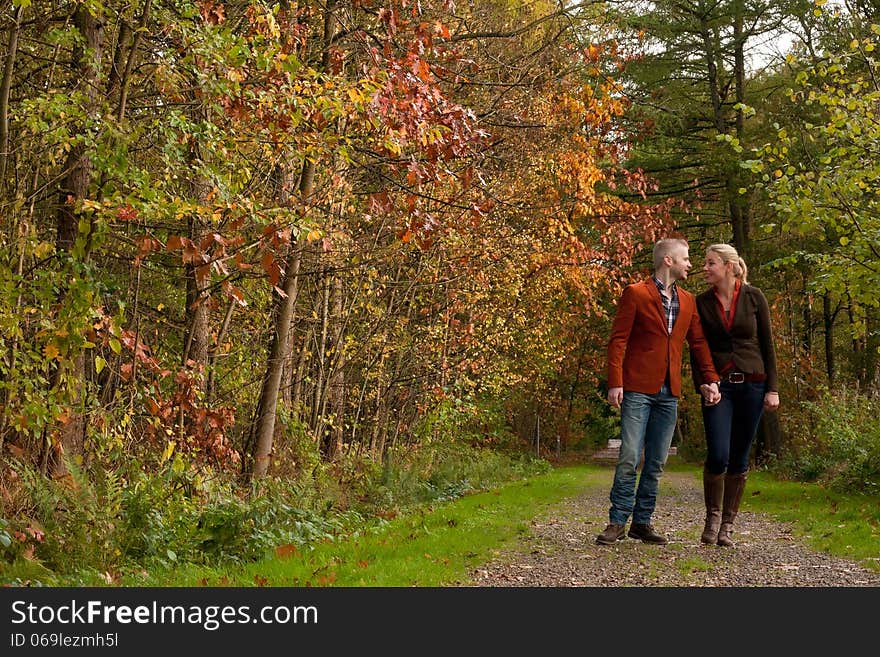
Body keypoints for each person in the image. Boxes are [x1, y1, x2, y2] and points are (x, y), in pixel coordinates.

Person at [597, 237, 721, 546]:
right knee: (629, 456)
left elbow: (699, 344)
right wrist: (615, 381)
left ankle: (642, 522)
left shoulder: (689, 301)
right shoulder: (636, 294)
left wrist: (711, 379)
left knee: (656, 462)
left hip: (670, 392)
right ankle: (617, 521)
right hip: (637, 388)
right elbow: (618, 341)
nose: (690, 264)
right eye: (686, 259)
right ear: (668, 260)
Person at [693, 243, 780, 547]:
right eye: (705, 263)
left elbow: (768, 344)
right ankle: (712, 517)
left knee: (740, 456)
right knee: (718, 453)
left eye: (710, 263)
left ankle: (728, 525)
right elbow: (697, 348)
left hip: (754, 385)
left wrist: (773, 388)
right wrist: (704, 383)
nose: (704, 268)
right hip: (719, 386)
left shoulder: (754, 297)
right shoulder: (701, 303)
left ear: (728, 266)